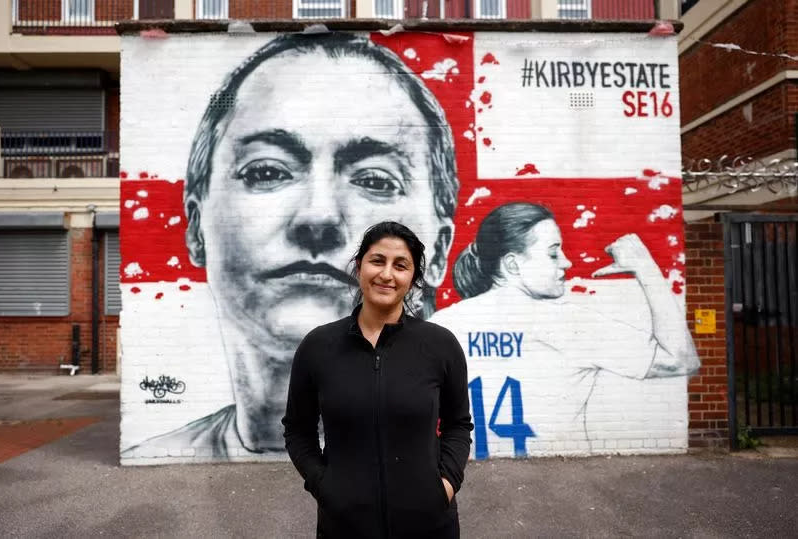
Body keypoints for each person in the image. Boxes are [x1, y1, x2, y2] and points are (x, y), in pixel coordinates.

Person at [122, 33, 459, 459]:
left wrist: (444, 483)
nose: (318, 217)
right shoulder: (159, 454)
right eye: (266, 171)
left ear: (439, 250)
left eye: (375, 180)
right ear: (196, 228)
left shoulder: (438, 378)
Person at [429, 202, 700, 451]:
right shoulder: (568, 323)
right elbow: (680, 360)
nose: (566, 262)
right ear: (513, 264)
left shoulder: (442, 325)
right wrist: (645, 267)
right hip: (561, 484)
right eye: (553, 253)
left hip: (466, 475)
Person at [283, 221, 472, 538]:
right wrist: (324, 487)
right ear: (359, 267)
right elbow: (297, 430)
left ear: (412, 279)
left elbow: (458, 425)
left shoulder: (440, 346)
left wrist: (445, 486)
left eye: (401, 266)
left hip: (429, 524)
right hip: (344, 526)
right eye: (377, 261)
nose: (387, 274)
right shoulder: (318, 346)